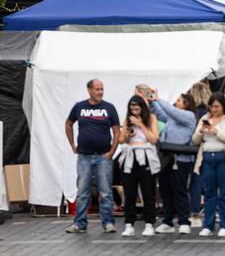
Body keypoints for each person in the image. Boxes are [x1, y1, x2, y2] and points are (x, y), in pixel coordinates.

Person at [64, 79, 120, 234]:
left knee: (106, 192)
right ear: (89, 90)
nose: (100, 92)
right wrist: (72, 145)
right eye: (97, 89)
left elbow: (117, 131)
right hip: (84, 156)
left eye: (102, 89)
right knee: (82, 192)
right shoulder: (79, 107)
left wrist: (112, 152)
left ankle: (108, 222)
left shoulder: (109, 108)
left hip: (104, 156)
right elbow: (68, 124)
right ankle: (80, 223)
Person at [192, 93, 225, 237]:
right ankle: (208, 225)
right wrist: (201, 131)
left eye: (217, 106)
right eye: (212, 106)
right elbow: (195, 141)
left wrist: (217, 132)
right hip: (207, 157)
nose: (214, 110)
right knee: (209, 192)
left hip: (224, 157)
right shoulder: (204, 118)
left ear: (223, 106)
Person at [149, 92, 197, 235]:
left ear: (187, 104)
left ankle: (184, 221)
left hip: (181, 159)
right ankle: (167, 222)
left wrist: (159, 98)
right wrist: (151, 102)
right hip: (166, 157)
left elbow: (171, 111)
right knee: (165, 190)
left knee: (179, 190)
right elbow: (159, 113)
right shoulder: (172, 117)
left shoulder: (189, 116)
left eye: (179, 100)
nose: (176, 103)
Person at [117, 95, 160, 237]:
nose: (134, 110)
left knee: (148, 191)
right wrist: (129, 134)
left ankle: (149, 223)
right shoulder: (127, 119)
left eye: (137, 107)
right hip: (130, 156)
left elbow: (154, 139)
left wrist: (141, 124)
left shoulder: (151, 118)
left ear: (142, 107)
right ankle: (129, 224)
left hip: (145, 155)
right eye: (131, 107)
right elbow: (121, 140)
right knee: (129, 192)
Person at [187, 81, 212, 228]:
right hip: (209, 150)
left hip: (195, 151)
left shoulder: (193, 113)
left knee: (196, 182)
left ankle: (195, 212)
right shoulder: (209, 113)